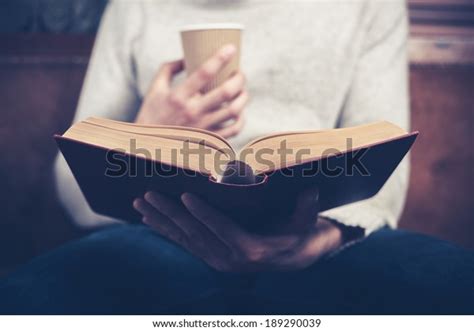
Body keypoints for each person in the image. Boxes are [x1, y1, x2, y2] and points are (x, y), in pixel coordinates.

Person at [0, 0, 473, 314]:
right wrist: (152, 130)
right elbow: (72, 189)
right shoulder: (135, 5)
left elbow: (385, 175)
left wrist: (315, 244)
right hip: (163, 235)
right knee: (22, 303)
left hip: (322, 238)